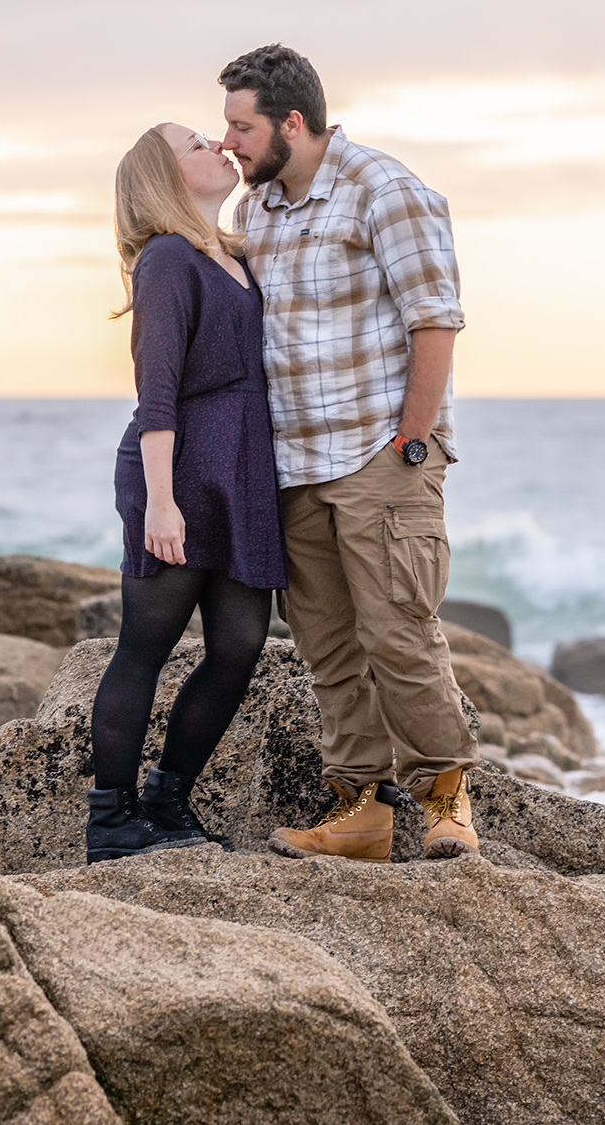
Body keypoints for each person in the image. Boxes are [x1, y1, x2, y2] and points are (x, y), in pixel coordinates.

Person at [217, 44, 480, 864]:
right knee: (328, 648)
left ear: (292, 122)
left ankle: (446, 804)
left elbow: (436, 319)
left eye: (241, 126)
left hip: (377, 453)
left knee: (400, 635)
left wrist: (412, 440)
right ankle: (360, 811)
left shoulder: (385, 190)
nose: (228, 142)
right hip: (294, 466)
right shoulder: (255, 212)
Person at [85, 122, 289, 864]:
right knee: (145, 645)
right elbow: (157, 390)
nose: (218, 145)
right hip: (179, 470)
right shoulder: (168, 258)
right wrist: (161, 502)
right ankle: (112, 819)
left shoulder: (234, 254)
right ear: (164, 176)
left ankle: (168, 800)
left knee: (240, 645)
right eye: (197, 143)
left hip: (241, 472)